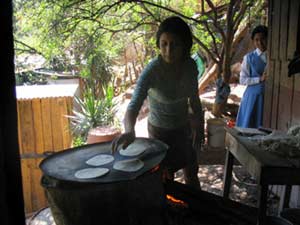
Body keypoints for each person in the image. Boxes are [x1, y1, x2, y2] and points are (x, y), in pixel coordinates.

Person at [112, 16, 204, 189]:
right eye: (164, 44)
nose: (169, 50)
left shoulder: (190, 67)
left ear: (184, 45)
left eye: (175, 44)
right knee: (166, 180)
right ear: (158, 45)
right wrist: (129, 131)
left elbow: (194, 99)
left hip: (183, 130)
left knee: (192, 174)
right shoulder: (152, 71)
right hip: (159, 133)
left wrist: (200, 127)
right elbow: (134, 105)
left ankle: (196, 210)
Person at [236, 25, 268, 128]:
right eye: (256, 40)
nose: (260, 42)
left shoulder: (273, 57)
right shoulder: (249, 58)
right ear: (253, 42)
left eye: (263, 39)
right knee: (250, 126)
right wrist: (259, 79)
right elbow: (242, 79)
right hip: (253, 98)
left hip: (269, 98)